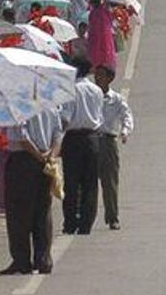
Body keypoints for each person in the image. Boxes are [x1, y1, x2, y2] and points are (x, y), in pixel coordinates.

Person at [0, 99, 60, 276]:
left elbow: (21, 136)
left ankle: (21, 260)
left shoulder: (19, 105)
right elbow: (58, 132)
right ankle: (43, 259)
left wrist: (38, 155)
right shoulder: (50, 105)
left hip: (23, 160)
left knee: (18, 213)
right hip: (45, 160)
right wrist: (51, 154)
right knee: (42, 210)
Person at [59, 59, 105, 236]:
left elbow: (66, 118)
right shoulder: (96, 90)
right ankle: (86, 223)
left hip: (73, 138)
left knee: (71, 183)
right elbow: (99, 116)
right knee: (90, 183)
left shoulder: (71, 89)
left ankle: (70, 222)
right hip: (92, 138)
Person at [92, 65, 132, 231]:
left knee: (110, 183)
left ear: (109, 78)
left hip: (108, 142)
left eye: (101, 75)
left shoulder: (116, 99)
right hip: (91, 140)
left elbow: (126, 115)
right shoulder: (90, 96)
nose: (97, 78)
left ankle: (112, 217)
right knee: (88, 182)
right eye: (96, 75)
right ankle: (86, 219)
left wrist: (125, 131)